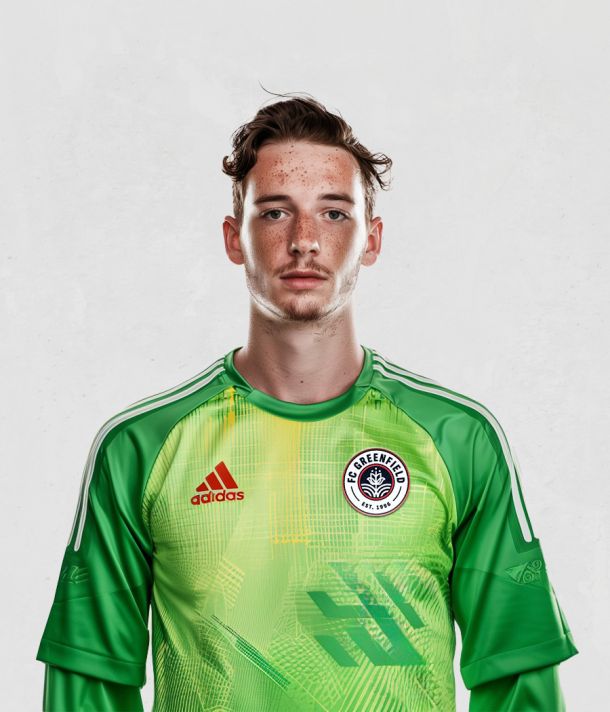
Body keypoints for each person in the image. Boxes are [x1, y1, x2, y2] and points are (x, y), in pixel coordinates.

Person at [37, 94, 578, 711]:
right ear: (234, 239)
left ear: (371, 240)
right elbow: (89, 682)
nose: (304, 240)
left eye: (334, 213)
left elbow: (517, 674)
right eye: (274, 213)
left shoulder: (458, 438)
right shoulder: (141, 446)